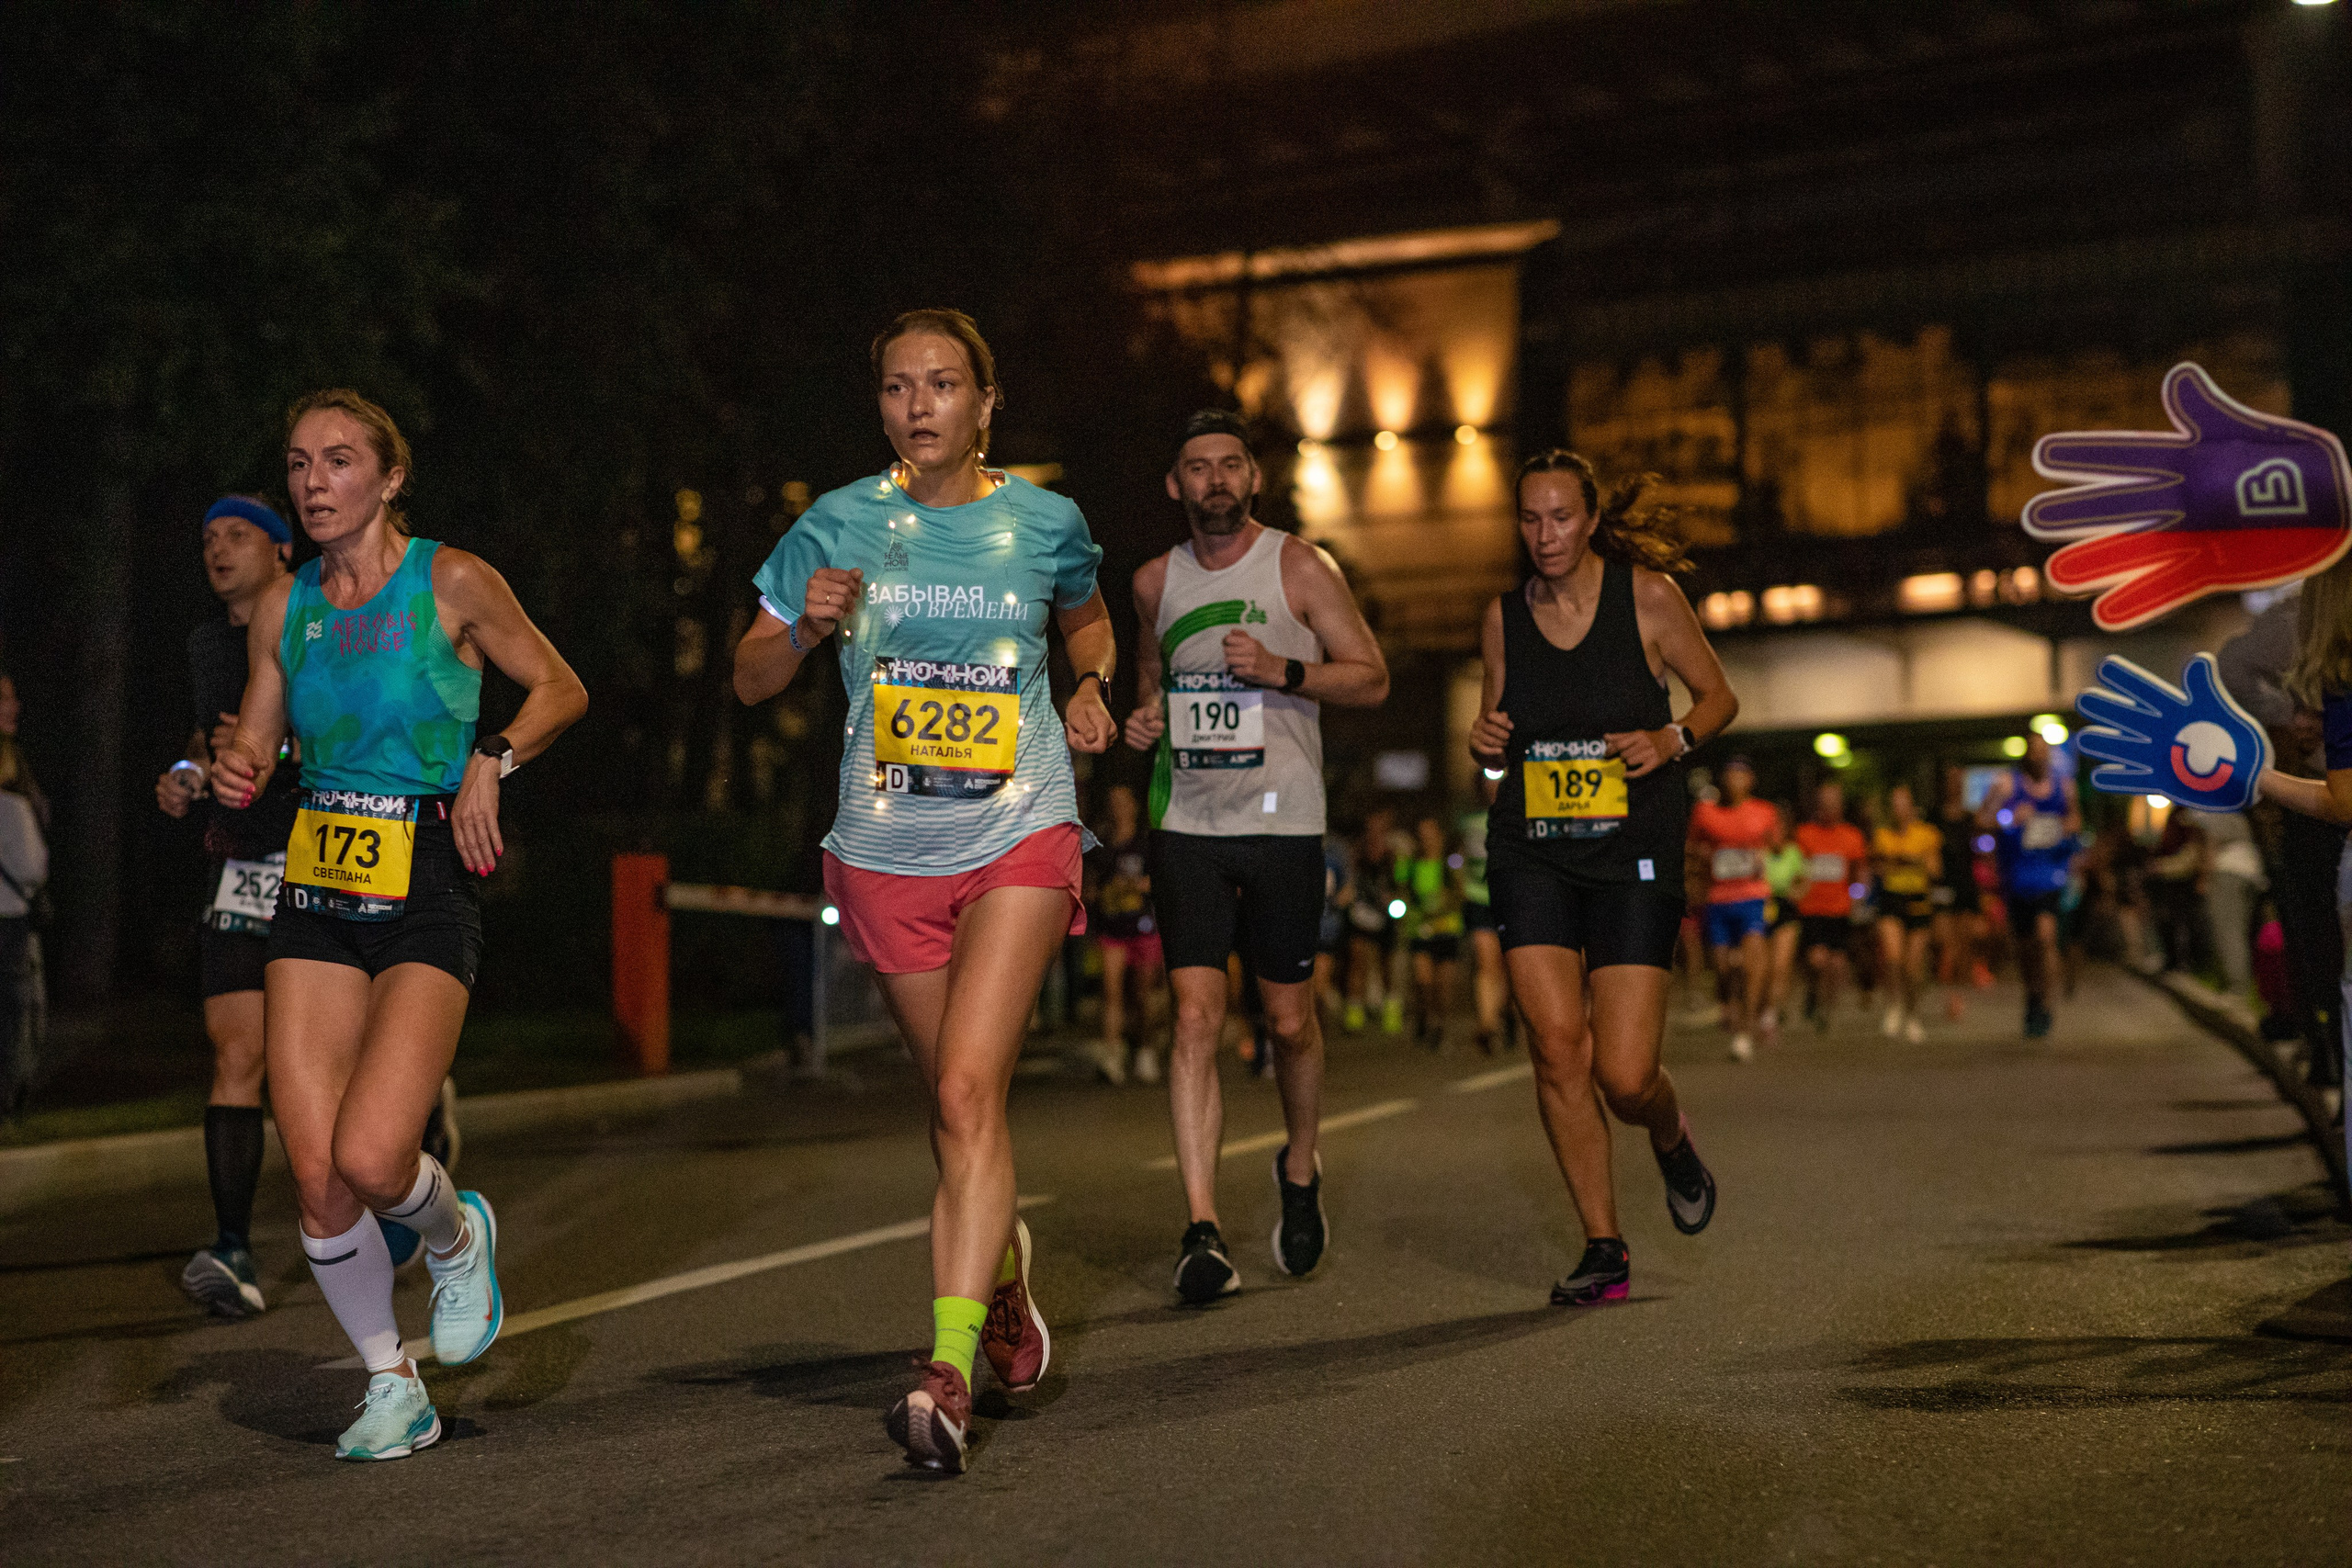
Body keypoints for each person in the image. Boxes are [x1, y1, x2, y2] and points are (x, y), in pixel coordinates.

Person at [733, 310, 1114, 1473]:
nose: (919, 406)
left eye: (943, 384)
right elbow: (749, 677)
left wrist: (1090, 686)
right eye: (899, 387)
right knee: (956, 1110)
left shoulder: (1045, 522)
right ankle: (1001, 1279)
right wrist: (805, 628)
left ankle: (946, 1375)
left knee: (962, 1089)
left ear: (985, 403)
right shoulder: (837, 522)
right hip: (888, 848)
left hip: (1018, 830)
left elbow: (1089, 621)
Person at [211, 389, 586, 1462]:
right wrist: (232, 767)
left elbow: (561, 688)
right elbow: (260, 743)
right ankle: (392, 1381)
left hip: (425, 876)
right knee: (317, 1174)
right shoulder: (286, 608)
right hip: (316, 887)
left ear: (390, 477)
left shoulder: (450, 581)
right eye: (298, 463)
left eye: (338, 460)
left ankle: (458, 1239)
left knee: (378, 1159)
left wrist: (492, 758)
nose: (314, 482)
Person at [157, 497, 464, 1315]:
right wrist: (189, 777)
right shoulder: (206, 643)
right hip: (242, 857)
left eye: (237, 535)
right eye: (207, 537)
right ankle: (233, 1246)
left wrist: (279, 745)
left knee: (353, 1058)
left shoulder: (324, 613)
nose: (218, 550)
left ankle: (411, 1141)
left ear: (281, 550)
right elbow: (210, 739)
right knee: (236, 1050)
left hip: (333, 849)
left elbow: (364, 726)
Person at [1119, 408, 1388, 1303]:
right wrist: (1144, 716)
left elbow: (1372, 676)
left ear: (1253, 477)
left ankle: (1300, 1165)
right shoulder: (1153, 581)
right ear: (1176, 485)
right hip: (1187, 824)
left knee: (1287, 1022)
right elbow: (1151, 680)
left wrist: (1286, 670)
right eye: (1198, 467)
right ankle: (1201, 1227)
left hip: (1284, 822)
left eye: (1230, 464)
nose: (1216, 480)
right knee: (1195, 1018)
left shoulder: (1300, 566)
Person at [1470, 449, 1737, 1306]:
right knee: (1557, 1049)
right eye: (1529, 519)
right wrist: (1484, 748)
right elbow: (1495, 746)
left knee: (1624, 1076)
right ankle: (1604, 1246)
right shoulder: (1502, 618)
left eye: (1560, 517)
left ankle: (1669, 1132)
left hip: (1632, 854)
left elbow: (1719, 697)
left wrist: (1670, 739)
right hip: (1533, 851)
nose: (1544, 534)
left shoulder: (1647, 598)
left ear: (1589, 520)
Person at [1980, 735, 2079, 1039]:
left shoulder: (2064, 786)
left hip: (2050, 876)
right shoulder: (2007, 785)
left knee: (2045, 938)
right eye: (2033, 753)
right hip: (2017, 878)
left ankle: (2046, 1004)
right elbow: (1982, 820)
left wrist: (2059, 827)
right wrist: (2010, 818)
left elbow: (2075, 821)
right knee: (2025, 948)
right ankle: (2033, 997)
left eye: (2043, 753)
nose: (2038, 758)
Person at [1688, 757, 1781, 1061]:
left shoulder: (1764, 812)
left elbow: (1777, 846)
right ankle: (1732, 1004)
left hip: (1753, 897)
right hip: (1718, 899)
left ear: (1750, 780)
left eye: (1740, 775)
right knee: (1724, 969)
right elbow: (1692, 847)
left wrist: (1764, 854)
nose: (1733, 781)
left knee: (1753, 962)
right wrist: (1703, 860)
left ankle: (1747, 1028)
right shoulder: (1705, 812)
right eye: (1729, 775)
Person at [1087, 784, 1163, 1085]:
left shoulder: (1146, 842)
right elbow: (1092, 884)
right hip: (1112, 927)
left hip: (1143, 926)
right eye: (1113, 801)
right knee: (1112, 993)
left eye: (1123, 801)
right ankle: (1113, 1055)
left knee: (1142, 995)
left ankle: (1145, 1050)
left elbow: (1159, 879)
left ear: (1134, 805)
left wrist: (1137, 885)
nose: (1118, 807)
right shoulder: (1102, 844)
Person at [1792, 782, 1868, 1032]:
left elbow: (1859, 872)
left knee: (1836, 964)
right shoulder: (1804, 834)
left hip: (1840, 909)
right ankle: (1813, 991)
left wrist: (1858, 897)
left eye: (1834, 805)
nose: (1829, 810)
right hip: (1812, 908)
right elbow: (1795, 868)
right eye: (1824, 805)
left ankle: (1827, 1008)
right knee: (1817, 961)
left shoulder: (1852, 836)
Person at [0, 728, 48, 1121]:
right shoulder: (13, 807)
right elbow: (33, 869)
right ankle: (9, 1095)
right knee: (15, 1012)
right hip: (10, 919)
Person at [1871, 783, 1942, 1043]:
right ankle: (1894, 1005)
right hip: (1891, 900)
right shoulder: (1883, 835)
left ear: (1912, 807)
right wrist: (1893, 861)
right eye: (1894, 805)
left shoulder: (1927, 834)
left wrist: (1913, 860)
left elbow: (1935, 871)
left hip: (1918, 901)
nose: (1898, 810)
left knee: (1913, 966)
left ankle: (1913, 1014)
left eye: (1903, 804)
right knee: (1893, 959)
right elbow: (1879, 868)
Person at [1399, 816, 1465, 1051]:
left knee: (1443, 987)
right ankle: (1425, 1017)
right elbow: (1401, 891)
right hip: (1420, 931)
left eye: (1430, 834)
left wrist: (1443, 904)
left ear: (1440, 836)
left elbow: (1460, 894)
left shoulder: (1451, 864)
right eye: (1422, 835)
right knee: (1423, 981)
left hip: (1446, 930)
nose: (1426, 839)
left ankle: (1440, 1025)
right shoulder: (1411, 864)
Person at [1932, 765, 1988, 1017]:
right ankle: (1949, 994)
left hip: (1966, 885)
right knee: (1945, 944)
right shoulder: (1934, 817)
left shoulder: (1970, 817)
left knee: (1965, 945)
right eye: (1950, 780)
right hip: (1943, 886)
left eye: (1958, 781)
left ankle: (1958, 996)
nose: (1954, 785)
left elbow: (1985, 841)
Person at [1459, 807, 1512, 1055]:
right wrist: (1460, 884)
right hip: (1478, 898)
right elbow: (1459, 856)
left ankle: (1506, 1013)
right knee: (1485, 962)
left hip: (1510, 898)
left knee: (1506, 964)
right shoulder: (1469, 821)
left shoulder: (1516, 810)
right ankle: (1488, 1023)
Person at [1759, 823, 1806, 1043]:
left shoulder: (1793, 853)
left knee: (1781, 966)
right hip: (1762, 908)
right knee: (1764, 967)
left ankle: (1771, 1016)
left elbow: (1804, 880)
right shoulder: (1760, 853)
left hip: (1786, 910)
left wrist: (1795, 892)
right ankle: (1762, 1007)